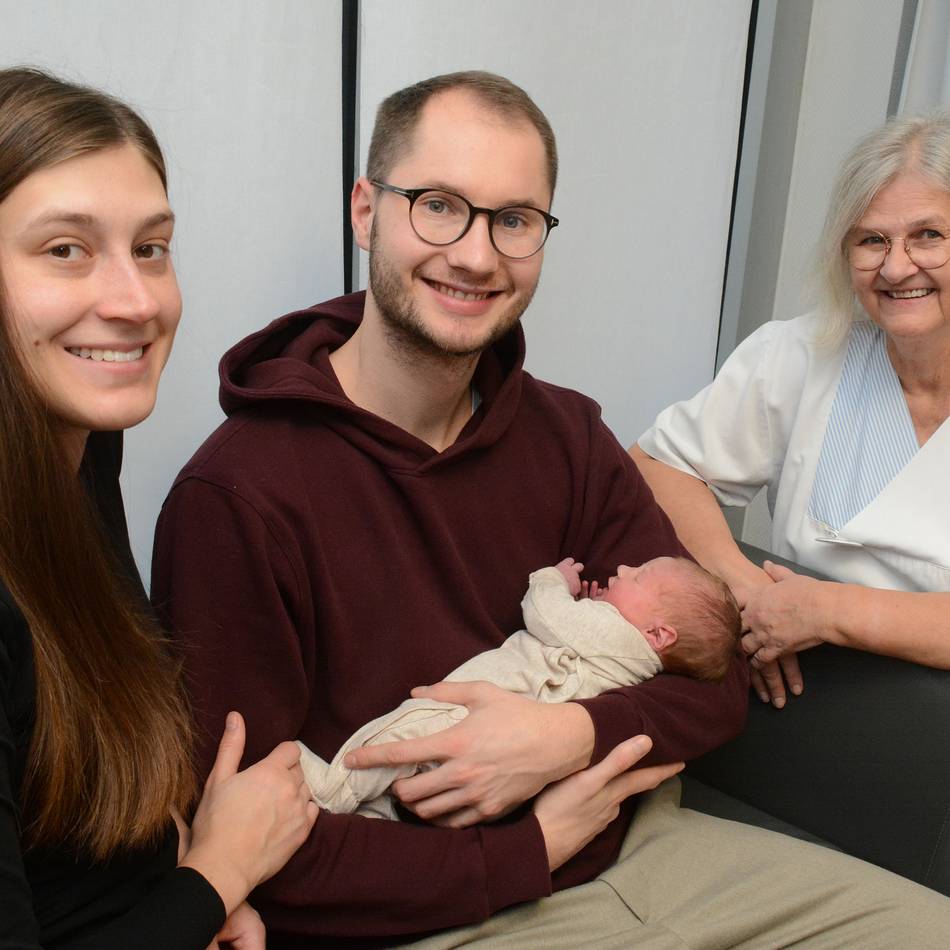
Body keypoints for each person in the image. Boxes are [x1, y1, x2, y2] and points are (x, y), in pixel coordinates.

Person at [152, 72, 950, 948]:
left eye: (514, 220)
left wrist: (569, 734)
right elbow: (252, 843)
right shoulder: (237, 497)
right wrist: (527, 849)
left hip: (645, 849)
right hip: (434, 913)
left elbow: (713, 684)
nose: (477, 254)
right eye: (439, 205)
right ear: (365, 210)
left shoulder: (567, 436)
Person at [0, 67, 317, 950]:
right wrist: (217, 877)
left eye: (151, 247)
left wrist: (185, 899)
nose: (137, 301)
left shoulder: (81, 441)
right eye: (65, 248)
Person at [633, 111, 950, 710]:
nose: (897, 266)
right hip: (795, 707)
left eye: (929, 235)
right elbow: (657, 463)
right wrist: (745, 587)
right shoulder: (798, 354)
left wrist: (826, 611)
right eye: (871, 239)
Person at [297, 556, 740, 818]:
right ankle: (359, 818)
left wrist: (554, 581)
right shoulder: (640, 668)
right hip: (494, 772)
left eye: (639, 576)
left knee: (398, 737)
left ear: (659, 635)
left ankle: (325, 794)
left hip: (467, 721)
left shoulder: (612, 632)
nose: (623, 566)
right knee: (393, 794)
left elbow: (545, 614)